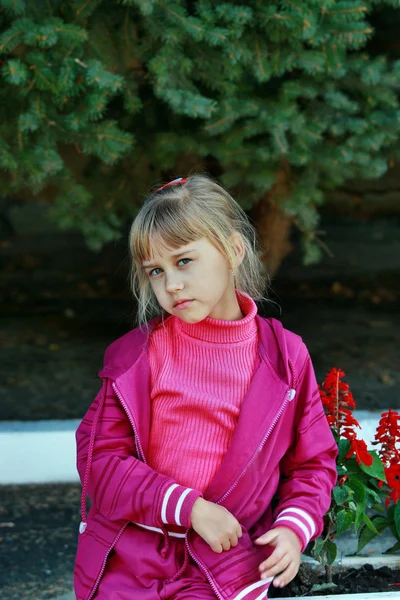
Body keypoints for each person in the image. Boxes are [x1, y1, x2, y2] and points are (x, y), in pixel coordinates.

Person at [74, 173, 338, 600]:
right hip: (135, 558)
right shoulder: (137, 359)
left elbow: (312, 464)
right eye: (155, 271)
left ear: (233, 250)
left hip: (225, 563)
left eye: (183, 261)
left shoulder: (285, 359)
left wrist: (292, 528)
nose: (170, 285)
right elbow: (99, 460)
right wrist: (190, 508)